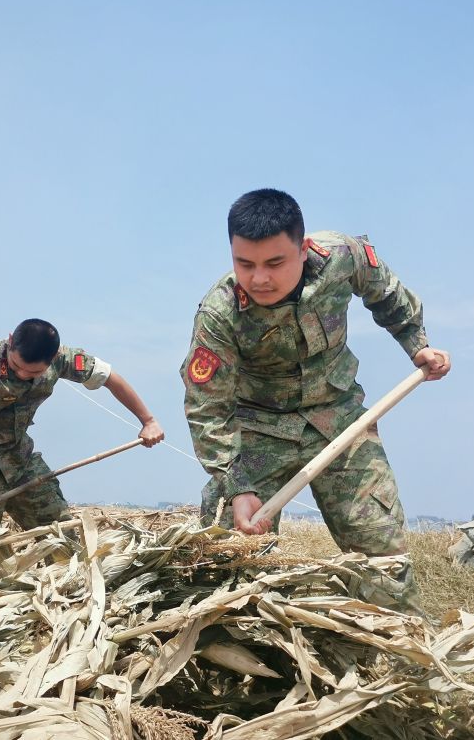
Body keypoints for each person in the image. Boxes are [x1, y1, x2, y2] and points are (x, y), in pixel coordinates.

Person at [180, 189, 450, 609]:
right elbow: (207, 408)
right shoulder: (220, 313)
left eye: (274, 263)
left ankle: (403, 644)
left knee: (381, 556)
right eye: (244, 264)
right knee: (229, 554)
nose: (259, 278)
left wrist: (417, 344)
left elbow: (385, 291)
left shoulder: (342, 256)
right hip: (258, 432)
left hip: (340, 421)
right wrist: (236, 487)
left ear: (303, 249)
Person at [0, 318, 164, 532]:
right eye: (16, 366)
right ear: (10, 341)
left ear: (54, 356)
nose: (23, 375)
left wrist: (148, 421)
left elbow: (108, 376)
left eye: (34, 372)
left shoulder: (61, 358)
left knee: (60, 535)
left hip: (17, 459)